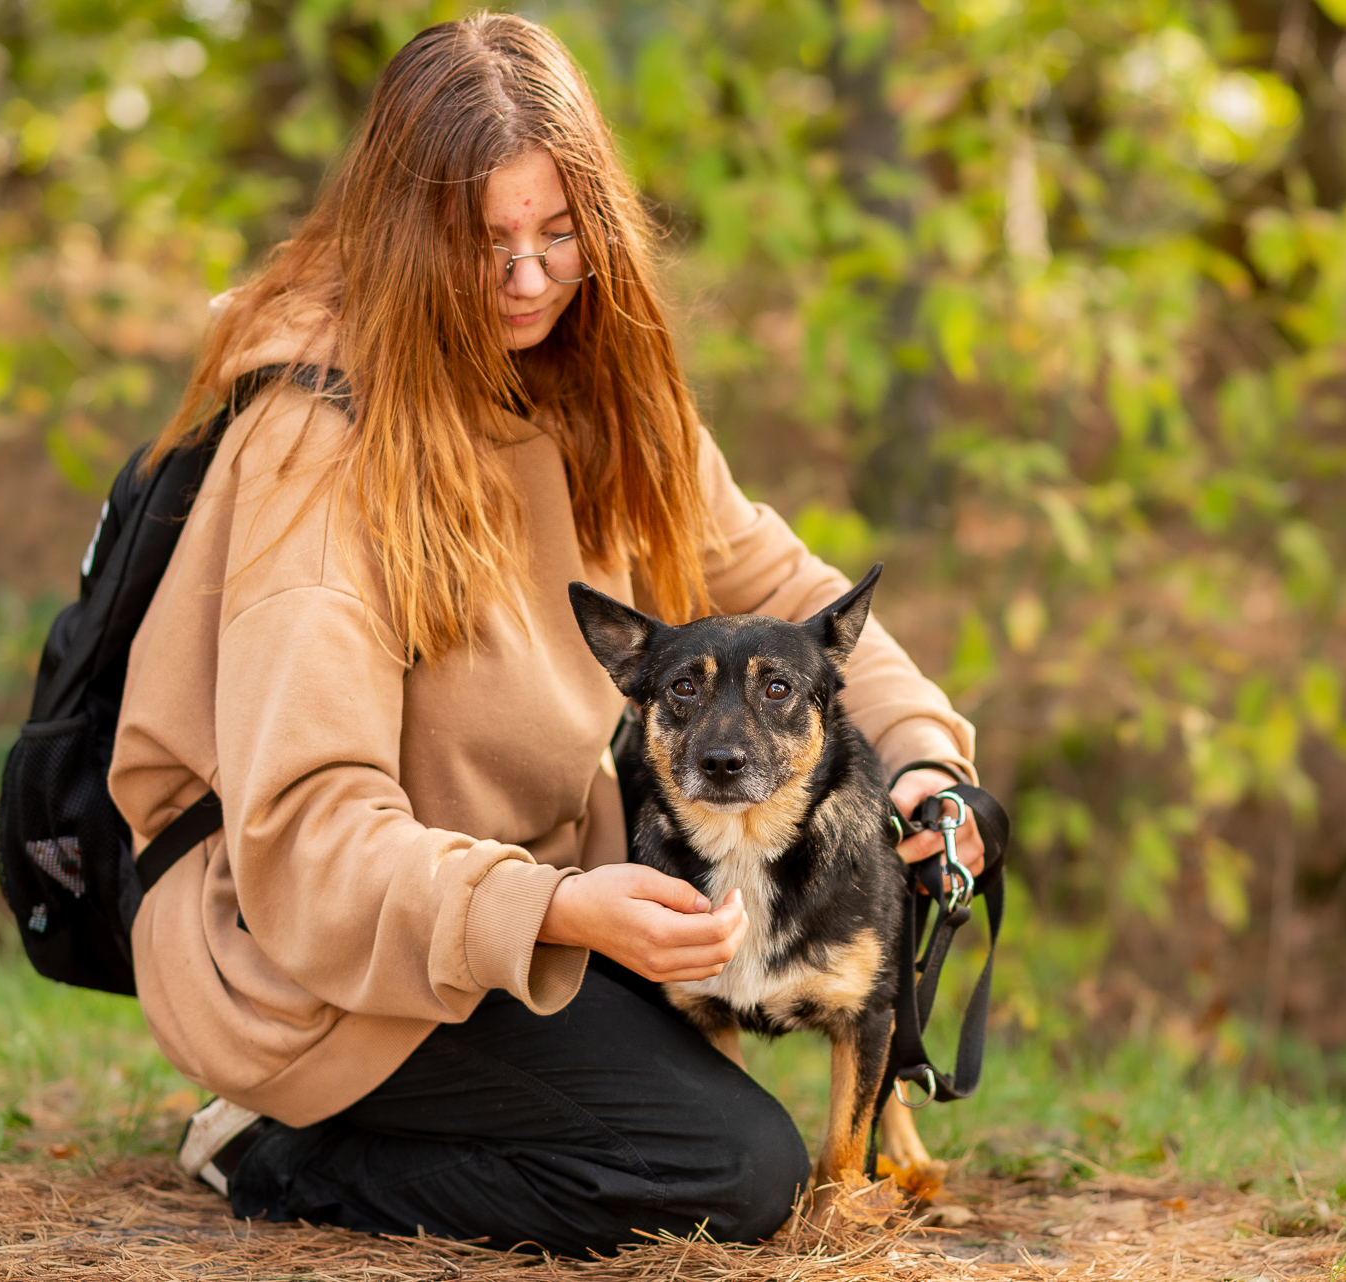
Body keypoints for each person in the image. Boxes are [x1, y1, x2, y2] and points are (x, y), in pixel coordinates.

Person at [109, 12, 982, 1259]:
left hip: (517, 895)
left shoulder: (592, 386)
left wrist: (927, 763)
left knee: (723, 1113)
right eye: (484, 244)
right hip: (307, 957)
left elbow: (784, 586)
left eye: (558, 235)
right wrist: (563, 911)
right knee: (730, 1175)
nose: (528, 280)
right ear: (405, 239)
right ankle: (282, 1145)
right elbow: (306, 843)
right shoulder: (322, 452)